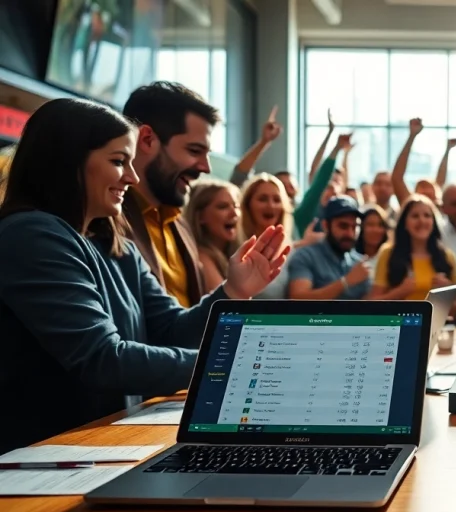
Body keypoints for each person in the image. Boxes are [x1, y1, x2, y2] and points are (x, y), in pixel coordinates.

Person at [0, 98, 287, 451]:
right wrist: (224, 362)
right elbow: (103, 358)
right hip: (42, 456)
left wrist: (233, 291)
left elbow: (170, 329)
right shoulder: (32, 234)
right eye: (119, 162)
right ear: (69, 161)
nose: (132, 177)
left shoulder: (115, 244)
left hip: (101, 446)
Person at [120, 81, 220, 307]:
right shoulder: (103, 221)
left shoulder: (180, 225)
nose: (206, 168)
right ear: (146, 139)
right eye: (194, 151)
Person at [370, 194, 456, 301]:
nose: (422, 221)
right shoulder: (388, 254)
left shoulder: (448, 257)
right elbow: (374, 303)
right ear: (405, 223)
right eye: (415, 216)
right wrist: (399, 292)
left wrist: (448, 291)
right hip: (399, 318)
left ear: (433, 222)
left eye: (427, 215)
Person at [287, 196, 372, 300]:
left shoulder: (359, 263)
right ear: (325, 226)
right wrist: (346, 282)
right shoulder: (306, 256)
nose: (350, 234)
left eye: (355, 227)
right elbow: (298, 299)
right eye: (343, 226)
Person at [238, 173, 294, 299]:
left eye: (277, 200)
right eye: (262, 199)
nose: (271, 205)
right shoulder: (234, 246)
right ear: (247, 205)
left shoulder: (291, 251)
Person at [184, 179, 239, 293]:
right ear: (200, 217)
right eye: (223, 207)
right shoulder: (202, 258)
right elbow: (229, 306)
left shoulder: (228, 254)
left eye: (236, 206)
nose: (234, 213)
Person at [354, 203, 389, 274]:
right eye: (370, 225)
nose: (376, 230)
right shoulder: (352, 258)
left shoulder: (390, 258)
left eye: (380, 225)